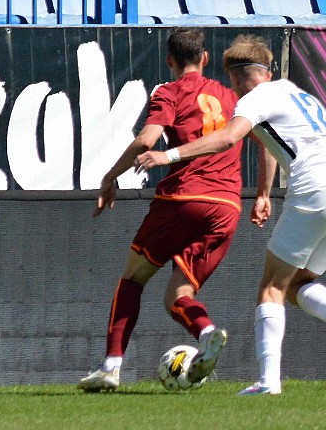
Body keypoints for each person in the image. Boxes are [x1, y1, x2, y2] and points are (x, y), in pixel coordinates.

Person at [135, 34, 326, 395]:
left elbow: (226, 138)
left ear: (236, 78)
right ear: (268, 69)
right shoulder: (299, 95)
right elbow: (314, 144)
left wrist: (167, 156)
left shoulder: (254, 98)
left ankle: (269, 383)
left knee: (271, 288)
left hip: (315, 187)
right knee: (297, 283)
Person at [77, 29, 241, 392]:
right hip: (228, 205)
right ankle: (207, 332)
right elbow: (259, 136)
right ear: (206, 58)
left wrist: (110, 176)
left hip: (183, 198)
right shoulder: (231, 96)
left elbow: (146, 140)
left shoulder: (169, 92)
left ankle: (111, 367)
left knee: (133, 278)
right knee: (178, 297)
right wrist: (262, 193)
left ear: (169, 60)